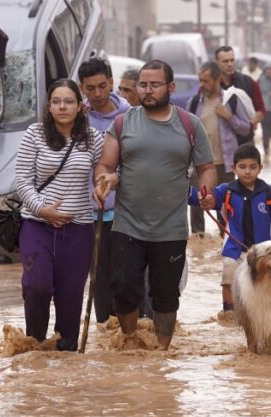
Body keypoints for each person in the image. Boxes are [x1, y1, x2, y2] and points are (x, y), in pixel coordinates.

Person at [94, 60, 218, 351]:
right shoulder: (123, 123)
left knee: (165, 297)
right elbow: (105, 164)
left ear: (170, 87)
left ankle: (162, 352)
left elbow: (207, 168)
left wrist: (207, 191)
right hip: (128, 225)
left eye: (154, 85)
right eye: (143, 85)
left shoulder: (189, 124)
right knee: (124, 289)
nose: (147, 91)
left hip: (171, 228)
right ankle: (130, 343)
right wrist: (104, 181)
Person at [15, 79, 104, 351]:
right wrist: (43, 210)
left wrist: (102, 186)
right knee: (37, 286)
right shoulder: (34, 134)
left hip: (78, 230)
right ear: (49, 106)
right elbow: (22, 181)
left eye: (68, 102)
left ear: (80, 106)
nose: (62, 107)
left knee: (71, 296)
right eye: (56, 101)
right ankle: (36, 346)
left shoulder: (93, 138)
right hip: (37, 224)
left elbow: (106, 170)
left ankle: (66, 354)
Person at [187, 144, 271, 324]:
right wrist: (188, 192)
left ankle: (263, 317)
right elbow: (205, 199)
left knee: (266, 283)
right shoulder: (226, 191)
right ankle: (229, 315)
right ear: (233, 168)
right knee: (228, 280)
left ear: (260, 168)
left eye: (252, 167)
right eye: (242, 167)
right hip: (234, 249)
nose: (247, 171)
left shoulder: (268, 192)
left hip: (263, 253)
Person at [78, 58, 130, 325]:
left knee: (126, 278)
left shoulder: (130, 117)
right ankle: (106, 332)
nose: (97, 94)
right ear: (82, 88)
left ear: (111, 82)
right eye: (90, 88)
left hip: (126, 213)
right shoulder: (78, 119)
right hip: (90, 214)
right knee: (98, 280)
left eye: (102, 86)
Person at [188, 61, 250, 235]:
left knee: (225, 207)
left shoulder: (232, 100)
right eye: (200, 80)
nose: (201, 85)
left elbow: (246, 128)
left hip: (225, 163)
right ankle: (199, 245)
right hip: (200, 164)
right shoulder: (193, 103)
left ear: (217, 80)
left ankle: (226, 242)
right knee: (197, 206)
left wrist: (228, 116)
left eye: (206, 81)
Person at [214, 46, 264, 144]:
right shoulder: (211, 85)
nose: (230, 64)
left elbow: (261, 110)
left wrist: (251, 125)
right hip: (220, 141)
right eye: (225, 61)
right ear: (216, 63)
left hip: (244, 141)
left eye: (232, 60)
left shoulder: (248, 82)